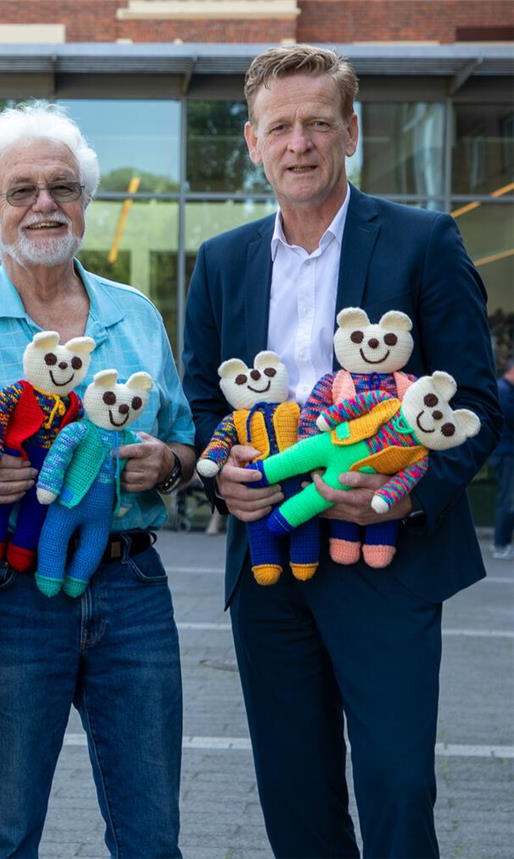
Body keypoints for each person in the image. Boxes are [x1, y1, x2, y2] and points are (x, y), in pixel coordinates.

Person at [182, 45, 501, 857]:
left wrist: (401, 493)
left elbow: (473, 401)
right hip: (271, 563)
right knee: (297, 796)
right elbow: (203, 405)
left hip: (387, 563)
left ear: (350, 132)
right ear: (251, 142)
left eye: (318, 123)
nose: (300, 143)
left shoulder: (424, 241)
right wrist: (229, 484)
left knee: (397, 789)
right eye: (280, 127)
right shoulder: (221, 262)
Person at [0, 101, 195, 858]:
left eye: (62, 186)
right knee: (4, 830)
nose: (45, 204)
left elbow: (187, 441)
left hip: (132, 586)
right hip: (4, 595)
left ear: (85, 202)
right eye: (22, 190)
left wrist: (170, 464)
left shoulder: (136, 315)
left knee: (153, 831)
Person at [490, 358, 514, 558]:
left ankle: (502, 543)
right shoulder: (504, 391)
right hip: (506, 454)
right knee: (508, 499)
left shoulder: (504, 389)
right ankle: (500, 544)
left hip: (505, 453)